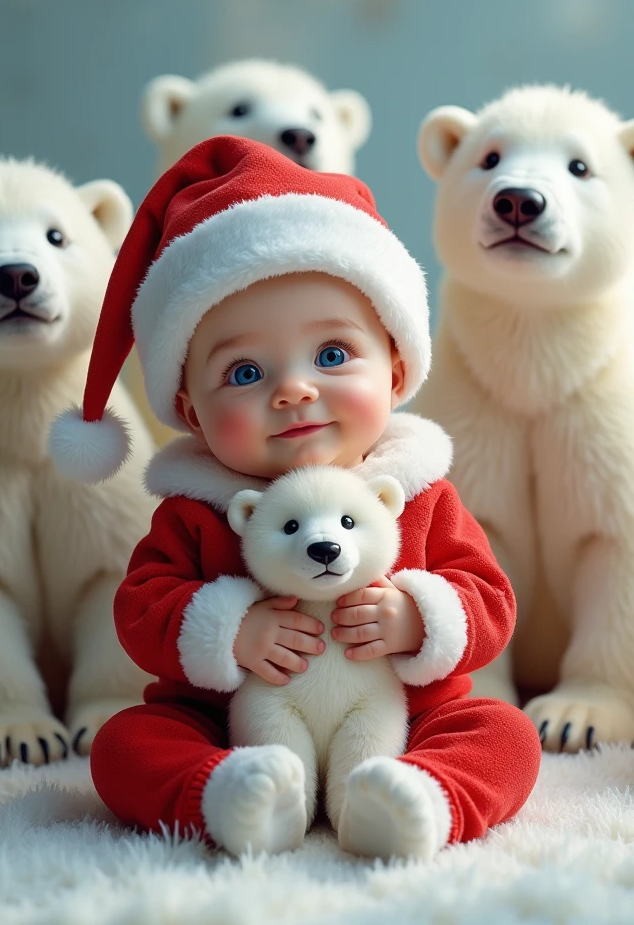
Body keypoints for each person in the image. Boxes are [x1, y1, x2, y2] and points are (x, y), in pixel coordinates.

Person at [50, 135, 541, 861]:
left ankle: (414, 796)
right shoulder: (196, 510)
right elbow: (142, 609)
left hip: (404, 719)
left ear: (398, 365)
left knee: (506, 737)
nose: (294, 388)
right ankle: (232, 794)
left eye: (334, 355)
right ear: (190, 412)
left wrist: (416, 617)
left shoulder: (418, 493)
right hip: (225, 723)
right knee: (125, 746)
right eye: (244, 372)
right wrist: (232, 632)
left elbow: (489, 599)